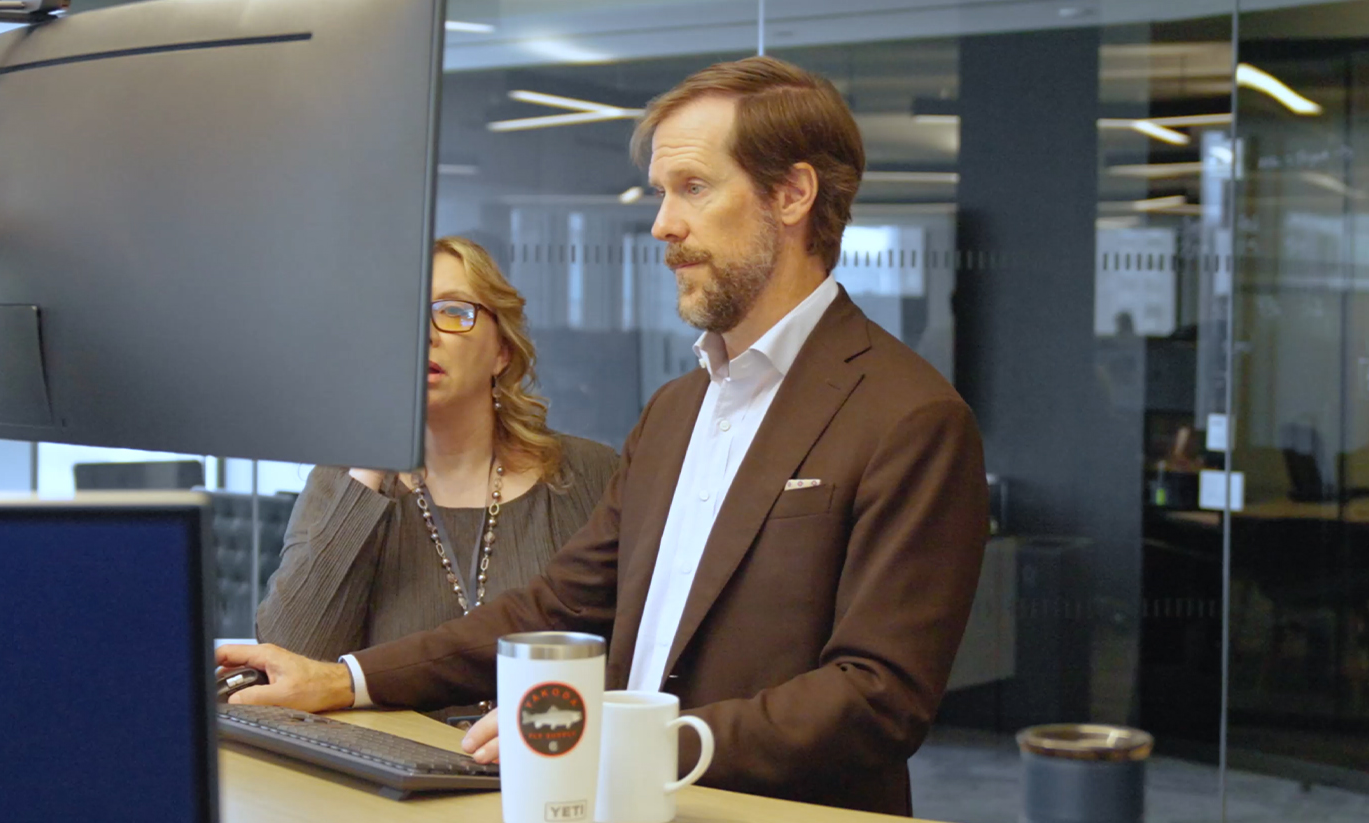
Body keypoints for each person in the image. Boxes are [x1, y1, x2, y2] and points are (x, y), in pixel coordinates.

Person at [218, 57, 988, 816]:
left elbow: (877, 694)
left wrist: (637, 741)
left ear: (790, 195)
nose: (662, 224)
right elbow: (555, 605)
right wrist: (347, 678)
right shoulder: (676, 410)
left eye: (692, 188)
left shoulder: (910, 417)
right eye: (661, 192)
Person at [251, 236, 620, 722]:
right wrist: (373, 455)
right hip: (391, 778)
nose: (423, 334)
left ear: (501, 353)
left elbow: (632, 650)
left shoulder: (587, 473)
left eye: (453, 312)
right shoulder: (343, 482)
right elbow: (291, 654)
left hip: (547, 759)